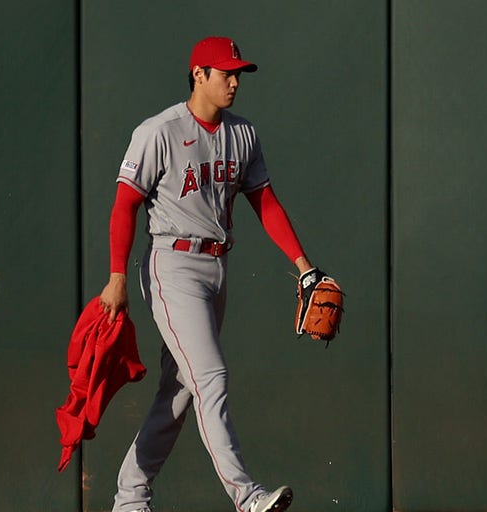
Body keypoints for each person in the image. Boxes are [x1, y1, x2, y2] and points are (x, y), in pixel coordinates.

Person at [98, 36, 315, 512]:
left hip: (217, 266)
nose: (235, 82)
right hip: (171, 263)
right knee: (211, 377)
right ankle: (247, 497)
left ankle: (130, 498)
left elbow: (265, 202)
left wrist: (303, 267)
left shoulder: (243, 134)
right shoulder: (159, 131)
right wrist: (116, 278)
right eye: (226, 73)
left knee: (180, 392)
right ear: (198, 74)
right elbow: (125, 205)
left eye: (239, 73)